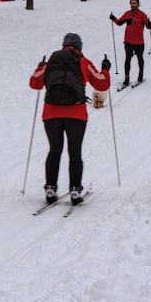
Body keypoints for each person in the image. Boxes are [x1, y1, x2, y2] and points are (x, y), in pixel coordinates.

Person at [28, 33, 111, 205]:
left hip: (51, 114)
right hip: (76, 114)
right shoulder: (83, 61)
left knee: (54, 150)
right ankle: (75, 190)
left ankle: (50, 188)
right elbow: (102, 84)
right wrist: (105, 69)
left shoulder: (52, 61)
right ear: (79, 46)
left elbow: (35, 83)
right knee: (75, 152)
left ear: (63, 45)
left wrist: (39, 67)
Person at [110, 0, 151, 87]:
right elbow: (119, 23)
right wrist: (113, 18)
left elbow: (149, 27)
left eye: (134, 3)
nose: (132, 5)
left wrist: (149, 23)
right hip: (128, 41)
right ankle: (126, 78)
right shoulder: (127, 14)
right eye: (131, 3)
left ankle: (140, 77)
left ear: (138, 4)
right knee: (127, 59)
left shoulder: (142, 15)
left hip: (139, 42)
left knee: (140, 59)